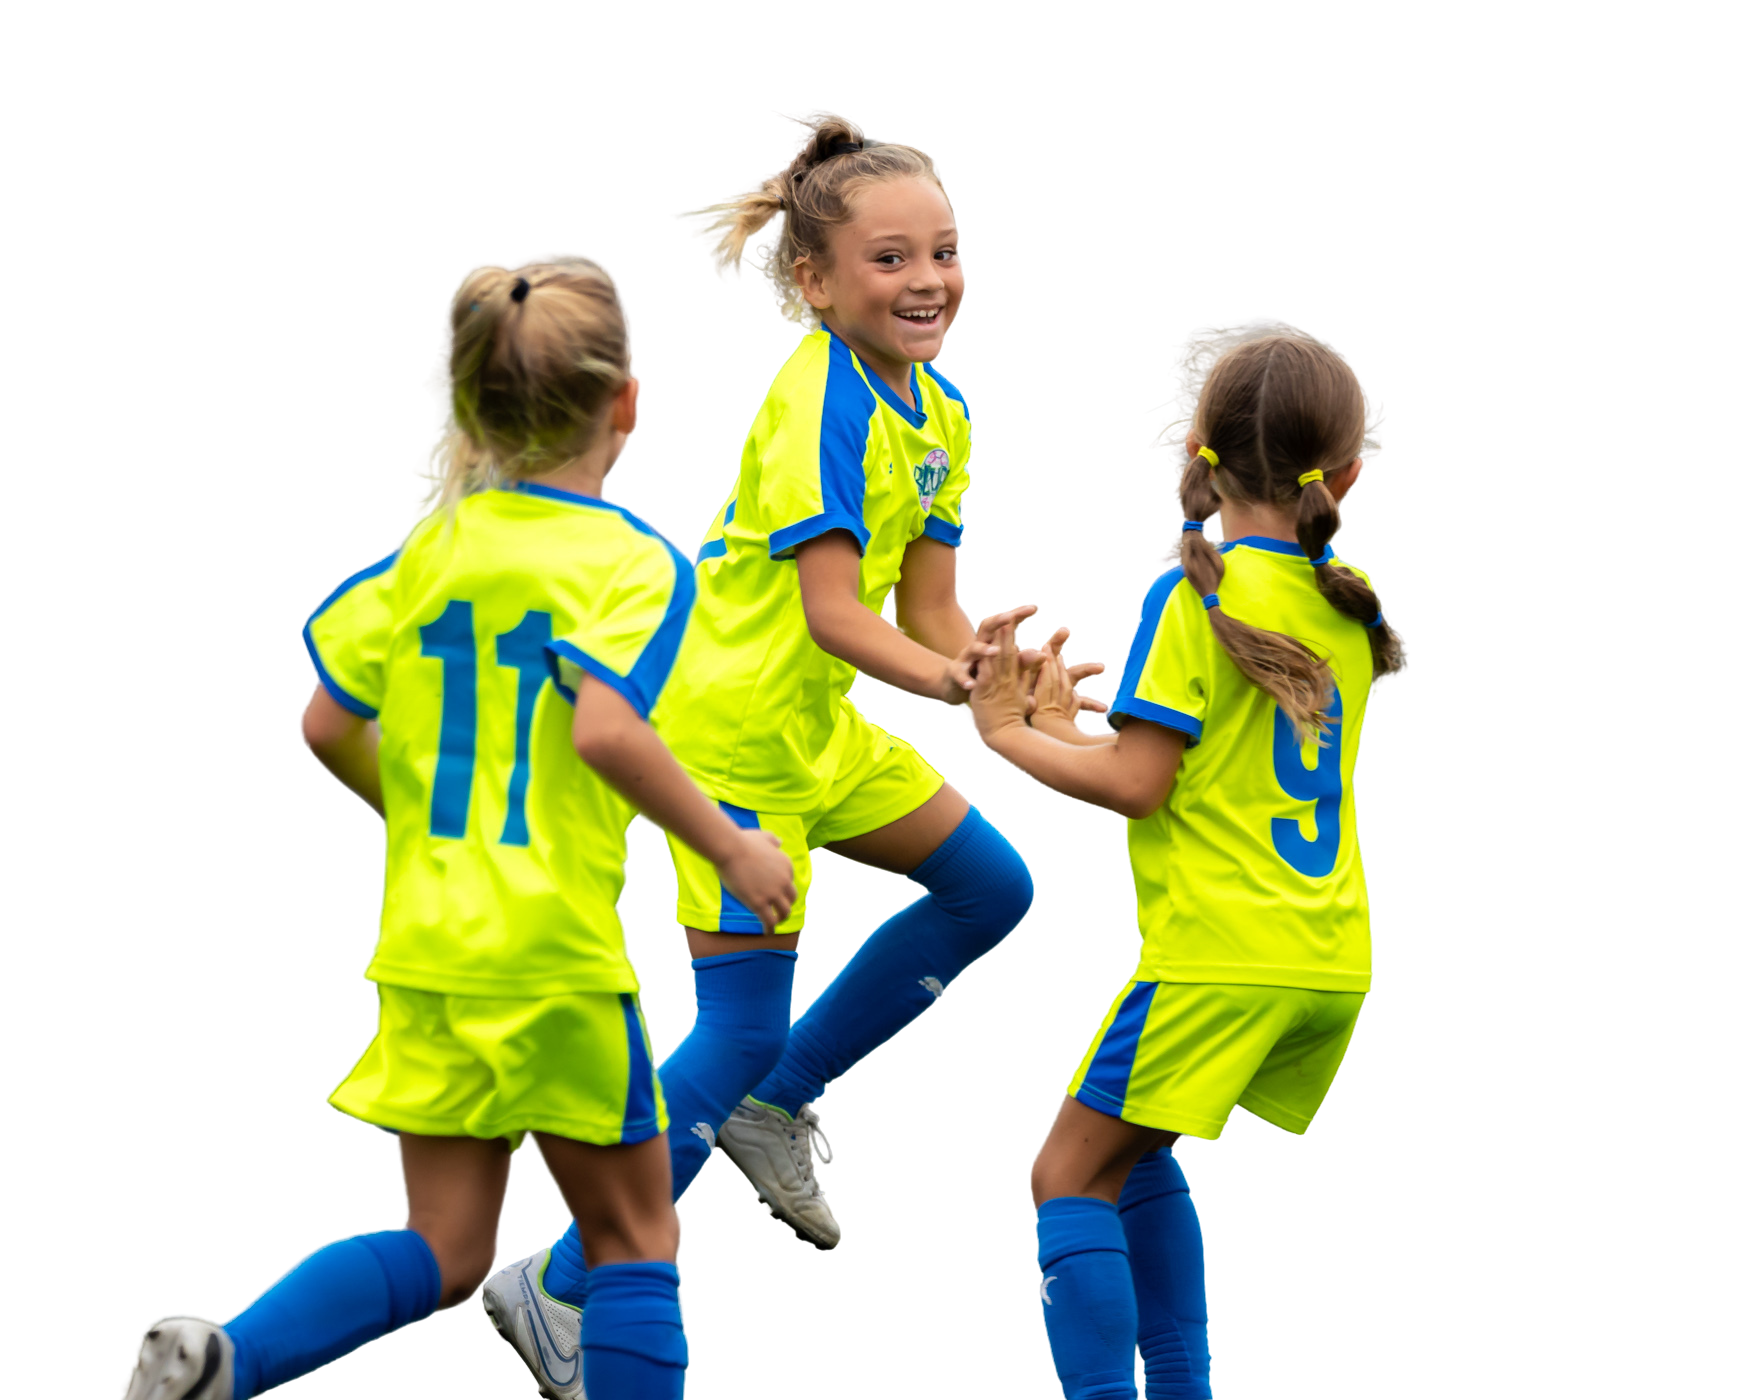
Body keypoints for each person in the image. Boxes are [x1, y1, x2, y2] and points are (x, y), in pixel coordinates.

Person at [483, 109, 1105, 1396]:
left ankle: (779, 1104)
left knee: (993, 887)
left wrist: (1009, 688)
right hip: (726, 735)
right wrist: (959, 687)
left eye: (943, 249)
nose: (928, 279)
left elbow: (931, 611)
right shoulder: (814, 393)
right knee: (728, 1028)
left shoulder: (941, 411)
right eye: (890, 259)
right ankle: (554, 1282)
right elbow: (833, 610)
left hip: (815, 725)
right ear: (813, 282)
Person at [118, 254, 794, 1400]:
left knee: (444, 1244)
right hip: (552, 957)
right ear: (627, 404)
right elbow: (606, 733)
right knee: (634, 1239)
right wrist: (731, 845)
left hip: (427, 950)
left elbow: (325, 718)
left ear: (470, 411)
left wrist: (429, 813)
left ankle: (229, 1355)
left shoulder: (429, 552)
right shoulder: (635, 562)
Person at [965, 323, 1409, 1399]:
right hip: (1324, 958)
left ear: (1196, 459)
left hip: (1216, 956)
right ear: (1346, 470)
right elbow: (1207, 771)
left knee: (1063, 1173)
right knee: (1137, 1156)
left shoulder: (1193, 598)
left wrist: (1008, 734)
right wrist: (1076, 728)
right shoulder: (1351, 594)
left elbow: (1138, 786)